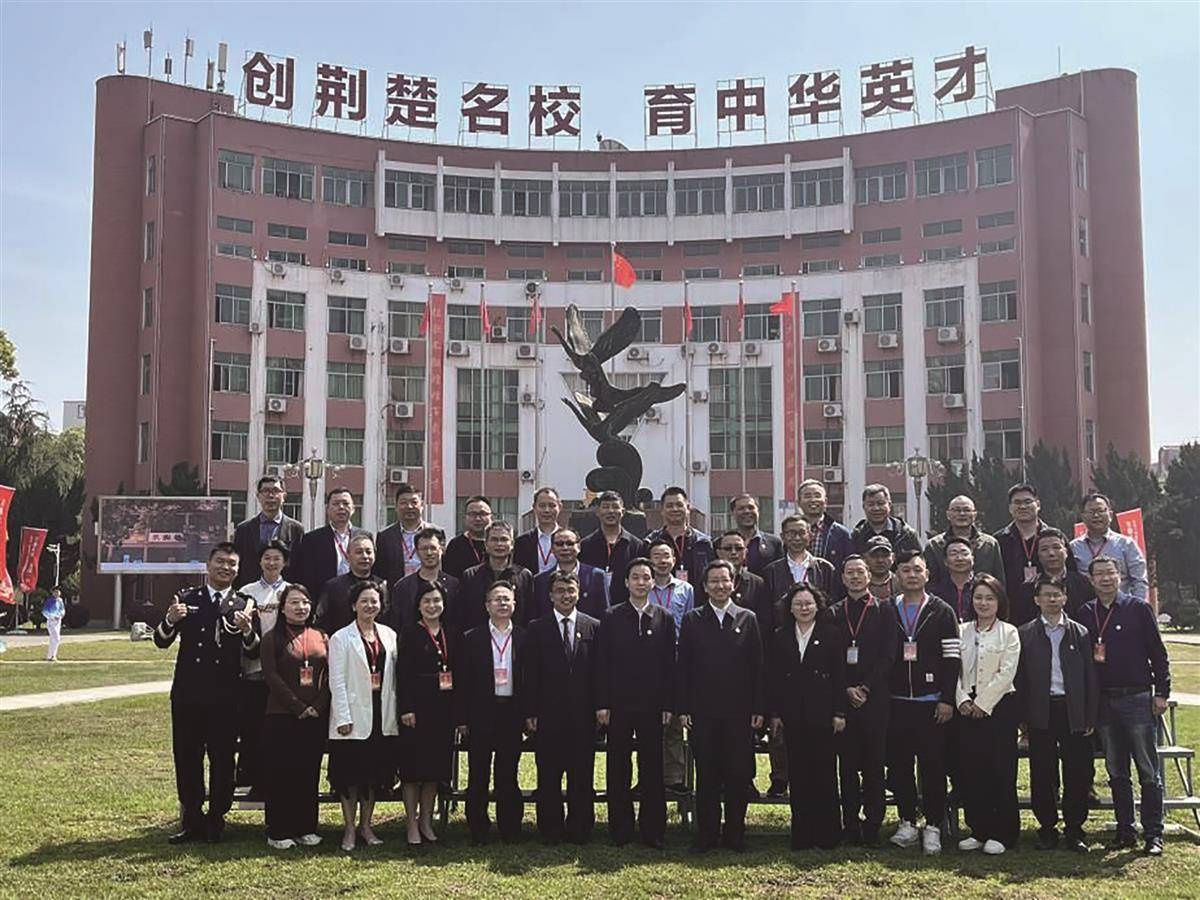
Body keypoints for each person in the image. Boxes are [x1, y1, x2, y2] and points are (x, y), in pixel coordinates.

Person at [154, 543, 258, 844]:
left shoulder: (244, 603)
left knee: (223, 759)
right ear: (208, 565)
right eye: (220, 562)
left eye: (232, 564)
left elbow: (253, 650)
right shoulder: (187, 598)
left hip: (226, 697)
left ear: (238, 570)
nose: (226, 568)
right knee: (187, 756)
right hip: (188, 694)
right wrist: (171, 620)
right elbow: (161, 640)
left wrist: (247, 630)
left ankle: (217, 818)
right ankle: (191, 818)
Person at [1080, 555, 1171, 856]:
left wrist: (1162, 692)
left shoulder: (1138, 609)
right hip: (1104, 702)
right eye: (1099, 574)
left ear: (1120, 576)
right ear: (1091, 579)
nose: (1106, 579)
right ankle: (1125, 830)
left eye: (1111, 573)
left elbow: (1158, 653)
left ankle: (1153, 833)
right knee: (1116, 770)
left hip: (1137, 698)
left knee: (1148, 769)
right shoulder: (1086, 613)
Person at [678, 560, 764, 853]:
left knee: (738, 775)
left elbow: (757, 667)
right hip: (703, 711)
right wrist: (684, 707)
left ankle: (735, 833)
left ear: (734, 584)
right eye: (713, 581)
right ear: (704, 586)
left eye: (724, 580)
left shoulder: (748, 619)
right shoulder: (692, 620)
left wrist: (758, 708)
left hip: (739, 713)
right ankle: (707, 834)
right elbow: (684, 667)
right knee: (708, 775)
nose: (719, 586)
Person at [596, 558, 676, 847]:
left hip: (652, 705)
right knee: (618, 766)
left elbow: (670, 664)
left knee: (652, 767)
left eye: (646, 577)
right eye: (635, 577)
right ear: (626, 582)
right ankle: (620, 829)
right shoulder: (611, 616)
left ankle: (653, 830)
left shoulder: (664, 617)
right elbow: (602, 663)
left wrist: (668, 704)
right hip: (618, 704)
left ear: (653, 582)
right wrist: (602, 703)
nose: (641, 582)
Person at [1016, 576, 1098, 853]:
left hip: (1073, 709)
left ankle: (1074, 829)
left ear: (1065, 598)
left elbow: (1090, 677)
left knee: (1077, 771)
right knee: (1043, 772)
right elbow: (1020, 679)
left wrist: (1090, 715)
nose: (1052, 599)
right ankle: (1047, 828)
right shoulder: (1025, 633)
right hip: (1041, 710)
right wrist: (1023, 718)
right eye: (1047, 595)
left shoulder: (1080, 633)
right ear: (1036, 600)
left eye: (1057, 594)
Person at [886, 550, 959, 856]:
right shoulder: (887, 609)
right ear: (897, 576)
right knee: (900, 767)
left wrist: (947, 698)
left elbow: (952, 657)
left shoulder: (942, 611)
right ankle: (906, 821)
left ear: (927, 574)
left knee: (933, 767)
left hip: (932, 704)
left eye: (917, 570)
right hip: (897, 703)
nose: (912, 575)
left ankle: (933, 825)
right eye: (906, 570)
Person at [524, 572, 601, 844]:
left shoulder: (593, 626)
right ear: (550, 595)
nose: (566, 596)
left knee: (581, 773)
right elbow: (530, 673)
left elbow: (600, 673)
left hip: (583, 714)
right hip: (548, 714)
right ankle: (551, 829)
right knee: (549, 773)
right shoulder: (537, 628)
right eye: (560, 591)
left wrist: (600, 707)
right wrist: (530, 711)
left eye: (570, 590)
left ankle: (580, 828)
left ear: (578, 593)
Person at [768, 584, 846, 850]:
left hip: (823, 713)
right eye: (798, 604)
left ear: (817, 605)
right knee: (799, 775)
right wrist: (775, 713)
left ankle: (828, 835)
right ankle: (802, 834)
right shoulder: (780, 635)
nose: (804, 608)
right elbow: (774, 677)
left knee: (824, 774)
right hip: (792, 714)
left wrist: (839, 712)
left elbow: (839, 676)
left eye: (808, 603)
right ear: (790, 608)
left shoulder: (832, 634)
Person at [829, 555, 897, 847]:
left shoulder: (885, 610)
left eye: (860, 572)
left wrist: (865, 687)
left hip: (875, 697)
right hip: (843, 699)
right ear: (842, 578)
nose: (855, 577)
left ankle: (872, 824)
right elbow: (830, 658)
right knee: (846, 766)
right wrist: (846, 688)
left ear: (869, 576)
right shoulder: (833, 612)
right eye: (850, 572)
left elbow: (889, 655)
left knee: (873, 764)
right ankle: (850, 824)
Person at [327, 581, 400, 852]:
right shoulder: (340, 638)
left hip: (381, 714)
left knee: (373, 776)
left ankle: (366, 826)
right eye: (364, 601)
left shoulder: (389, 635)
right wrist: (342, 717)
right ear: (353, 605)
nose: (370, 605)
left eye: (374, 601)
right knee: (349, 778)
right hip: (353, 716)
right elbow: (336, 681)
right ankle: (348, 828)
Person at [455, 581, 528, 844]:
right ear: (487, 606)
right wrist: (462, 718)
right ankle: (478, 828)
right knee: (478, 772)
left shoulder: (524, 637)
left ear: (514, 604)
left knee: (508, 771)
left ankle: (509, 827)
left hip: (512, 712)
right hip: (481, 712)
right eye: (497, 599)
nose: (502, 603)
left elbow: (531, 679)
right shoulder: (471, 638)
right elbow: (462, 682)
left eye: (507, 599)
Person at [954, 574, 1021, 855]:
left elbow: (1007, 672)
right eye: (979, 598)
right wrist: (962, 700)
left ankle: (1003, 832)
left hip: (999, 708)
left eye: (989, 598)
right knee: (972, 771)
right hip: (966, 708)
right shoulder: (961, 630)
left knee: (1001, 771)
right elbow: (952, 669)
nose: (983, 603)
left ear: (999, 601)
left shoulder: (1009, 632)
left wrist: (983, 703)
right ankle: (978, 829)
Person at [260, 584, 329, 850]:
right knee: (282, 773)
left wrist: (318, 705)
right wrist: (297, 706)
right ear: (283, 608)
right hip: (282, 715)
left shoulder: (321, 636)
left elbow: (329, 676)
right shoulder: (272, 638)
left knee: (308, 773)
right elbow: (271, 676)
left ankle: (306, 827)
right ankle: (279, 830)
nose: (301, 607)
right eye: (294, 602)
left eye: (305, 602)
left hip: (314, 716)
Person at [397, 582, 457, 846]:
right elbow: (403, 674)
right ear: (419, 606)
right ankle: (411, 823)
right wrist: (406, 708)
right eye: (427, 601)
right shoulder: (410, 633)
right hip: (416, 709)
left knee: (434, 770)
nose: (432, 606)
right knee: (413, 771)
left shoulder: (451, 632)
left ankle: (426, 822)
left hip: (442, 710)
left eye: (436, 600)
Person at [235, 540, 290, 798]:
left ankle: (279, 781)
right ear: (259, 561)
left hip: (284, 671)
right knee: (253, 727)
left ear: (285, 562)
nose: (271, 562)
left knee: (279, 729)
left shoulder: (291, 592)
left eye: (277, 558)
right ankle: (252, 781)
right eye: (267, 557)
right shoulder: (246, 592)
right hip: (254, 670)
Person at [646, 540, 694, 792]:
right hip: (648, 658)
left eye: (667, 556)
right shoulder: (643, 587)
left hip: (676, 656)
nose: (662, 561)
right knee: (649, 722)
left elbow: (690, 622)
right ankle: (648, 776)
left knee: (674, 720)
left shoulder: (686, 589)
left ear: (674, 560)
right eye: (657, 556)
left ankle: (675, 777)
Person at [381, 526, 461, 634]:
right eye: (424, 549)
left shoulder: (454, 585)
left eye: (433, 548)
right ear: (417, 552)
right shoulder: (402, 587)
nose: (429, 553)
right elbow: (396, 624)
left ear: (442, 549)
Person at [1071, 493, 1150, 600]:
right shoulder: (1074, 547)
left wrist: (1136, 606)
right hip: (1086, 607)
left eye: (1101, 511)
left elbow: (1139, 580)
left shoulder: (1126, 544)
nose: (1096, 516)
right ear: (1082, 516)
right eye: (1091, 512)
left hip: (1121, 607)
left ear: (1111, 515)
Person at [459, 521, 535, 632]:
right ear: (486, 544)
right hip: (478, 638)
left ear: (512, 544)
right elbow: (463, 614)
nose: (499, 544)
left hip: (515, 639)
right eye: (494, 539)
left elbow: (530, 614)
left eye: (504, 539)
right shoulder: (471, 576)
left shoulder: (524, 575)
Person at [232, 474, 305, 588]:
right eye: (265, 491)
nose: (270, 495)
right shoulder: (244, 529)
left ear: (284, 496)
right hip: (250, 591)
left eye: (275, 491)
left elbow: (300, 566)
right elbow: (237, 564)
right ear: (258, 496)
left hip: (285, 592)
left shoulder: (296, 529)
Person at [295, 488, 369, 597]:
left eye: (345, 503)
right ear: (327, 509)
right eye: (336, 504)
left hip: (359, 596)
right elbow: (306, 576)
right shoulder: (312, 539)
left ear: (353, 508)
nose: (341, 507)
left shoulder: (365, 536)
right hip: (326, 598)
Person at [579, 491, 646, 607]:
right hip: (593, 608)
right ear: (598, 512)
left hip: (625, 608)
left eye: (615, 507)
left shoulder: (636, 546)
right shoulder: (585, 545)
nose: (610, 511)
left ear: (623, 512)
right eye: (605, 507)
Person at [924, 495, 1005, 588]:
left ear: (975, 515)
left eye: (967, 510)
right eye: (957, 510)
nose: (962, 514)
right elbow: (929, 583)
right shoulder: (934, 546)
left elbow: (999, 582)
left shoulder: (989, 544)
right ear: (948, 515)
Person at [993, 483, 1049, 617]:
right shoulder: (998, 540)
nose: (1022, 507)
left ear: (1038, 505)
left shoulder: (1053, 538)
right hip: (1010, 611)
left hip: (1047, 609)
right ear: (1010, 508)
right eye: (1017, 503)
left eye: (1027, 502)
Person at [644, 486, 714, 593]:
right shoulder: (650, 542)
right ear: (662, 510)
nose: (675, 509)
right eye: (669, 506)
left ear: (688, 508)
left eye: (679, 505)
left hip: (698, 601)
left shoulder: (703, 543)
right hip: (661, 601)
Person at [315, 534, 388, 636]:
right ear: (348, 556)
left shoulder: (382, 585)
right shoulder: (333, 586)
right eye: (359, 552)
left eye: (368, 552)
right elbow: (321, 622)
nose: (365, 556)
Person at [763, 515, 839, 608]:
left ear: (810, 536)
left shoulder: (825, 569)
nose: (797, 538)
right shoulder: (771, 572)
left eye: (802, 533)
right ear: (783, 537)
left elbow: (832, 604)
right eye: (791, 533)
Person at [531, 528, 607, 619]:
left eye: (570, 543)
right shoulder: (540, 581)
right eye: (559, 544)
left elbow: (604, 613)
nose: (565, 548)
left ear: (579, 547)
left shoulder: (596, 576)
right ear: (552, 549)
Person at [374, 483, 434, 585]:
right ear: (396, 506)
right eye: (403, 503)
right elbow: (380, 572)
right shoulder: (385, 537)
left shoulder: (435, 533)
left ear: (422, 505)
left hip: (429, 589)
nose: (409, 507)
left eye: (414, 502)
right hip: (397, 590)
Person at [1035, 528, 1096, 619]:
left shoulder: (1083, 583)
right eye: (1044, 549)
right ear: (1038, 555)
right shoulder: (1030, 587)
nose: (1051, 553)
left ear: (1066, 552)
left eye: (1056, 547)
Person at [797, 479, 853, 575]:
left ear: (825, 501)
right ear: (799, 502)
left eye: (817, 496)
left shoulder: (842, 534)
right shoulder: (792, 532)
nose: (813, 500)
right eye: (807, 496)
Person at [850, 484, 922, 556]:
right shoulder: (856, 536)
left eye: (880, 503)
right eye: (871, 504)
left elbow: (919, 560)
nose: (876, 508)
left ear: (889, 505)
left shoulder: (906, 535)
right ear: (863, 507)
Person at [729, 494, 784, 576]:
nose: (747, 511)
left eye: (751, 508)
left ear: (758, 511)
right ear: (732, 513)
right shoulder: (721, 543)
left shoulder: (774, 543)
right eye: (741, 508)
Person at [514, 487, 563, 575]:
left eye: (552, 505)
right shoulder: (522, 542)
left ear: (559, 507)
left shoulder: (569, 541)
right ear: (534, 507)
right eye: (542, 506)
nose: (547, 510)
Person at [928, 536, 977, 623]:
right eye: (953, 554)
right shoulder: (935, 591)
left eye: (964, 553)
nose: (959, 558)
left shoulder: (982, 587)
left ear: (973, 559)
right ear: (945, 562)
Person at [443, 495, 491, 579]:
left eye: (482, 514)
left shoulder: (498, 543)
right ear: (464, 518)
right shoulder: (455, 545)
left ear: (491, 517)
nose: (478, 519)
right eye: (472, 514)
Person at [864, 536, 900, 601]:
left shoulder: (902, 584)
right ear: (865, 559)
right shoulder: (858, 585)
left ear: (893, 557)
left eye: (885, 556)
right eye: (874, 556)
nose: (880, 560)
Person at [42, 586, 65, 662]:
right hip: (51, 621)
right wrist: (52, 616)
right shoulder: (49, 601)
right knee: (56, 638)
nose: (57, 593)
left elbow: (62, 610)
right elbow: (44, 612)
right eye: (55, 592)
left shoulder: (60, 601)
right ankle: (53, 655)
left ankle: (50, 655)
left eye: (58, 591)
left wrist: (60, 615)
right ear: (52, 593)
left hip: (58, 621)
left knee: (53, 639)